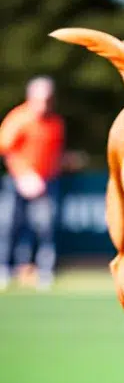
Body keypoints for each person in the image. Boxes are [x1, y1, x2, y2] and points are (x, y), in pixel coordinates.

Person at [0, 76, 83, 290]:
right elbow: (7, 151)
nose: (44, 103)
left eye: (48, 99)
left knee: (47, 227)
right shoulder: (18, 118)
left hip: (47, 183)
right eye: (40, 99)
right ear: (30, 98)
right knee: (9, 225)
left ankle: (44, 271)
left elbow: (55, 154)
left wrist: (64, 163)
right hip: (18, 182)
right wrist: (24, 177)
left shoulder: (55, 123)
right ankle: (4, 269)